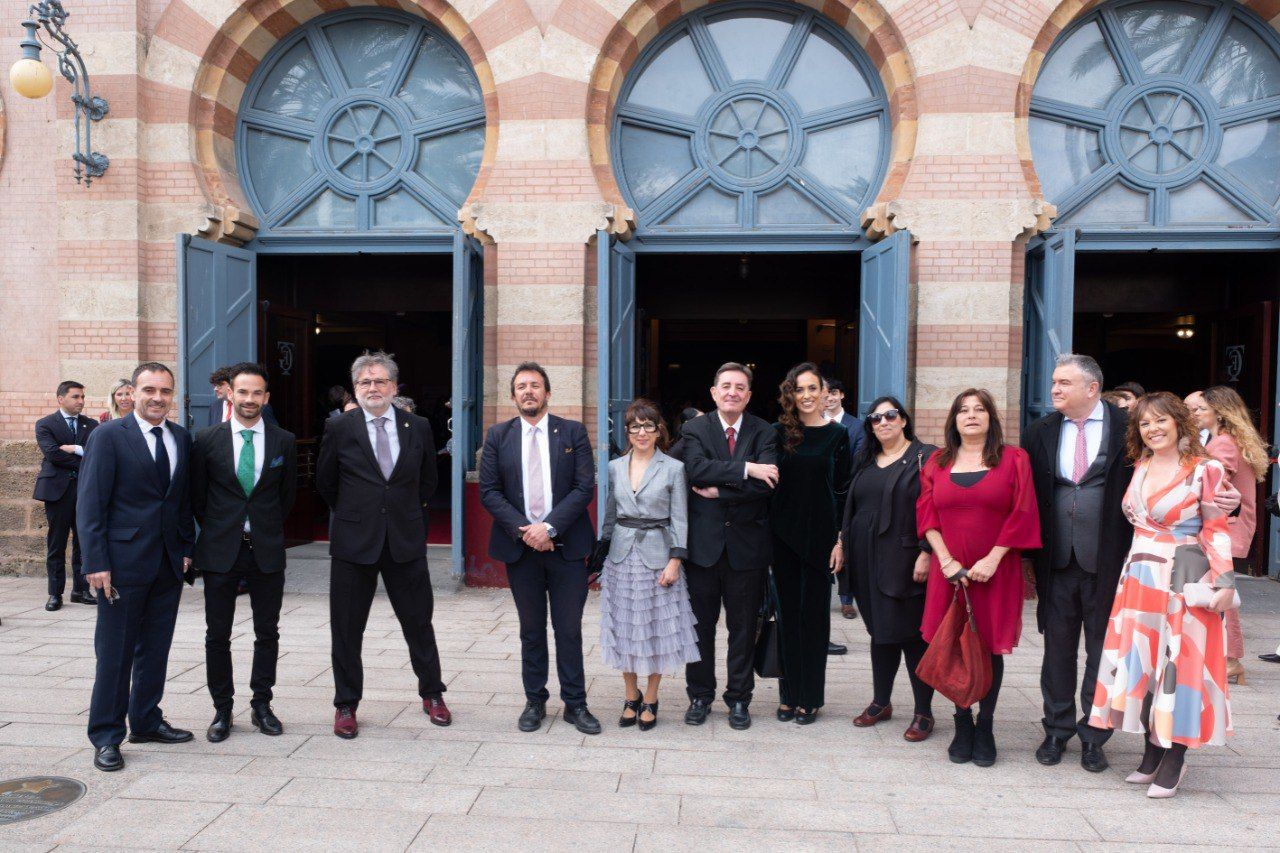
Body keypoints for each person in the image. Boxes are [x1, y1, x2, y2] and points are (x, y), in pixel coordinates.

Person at [1088, 392, 1236, 798]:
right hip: (1137, 575)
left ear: (1179, 422)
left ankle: (1176, 756)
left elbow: (1216, 526)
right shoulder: (1141, 465)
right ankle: (1152, 749)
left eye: (1160, 421)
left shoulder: (1205, 468)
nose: (1152, 429)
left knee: (1180, 665)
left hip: (1182, 574)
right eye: (1143, 424)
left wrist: (1225, 581)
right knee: (1146, 663)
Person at [316, 350, 449, 738]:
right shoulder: (340, 428)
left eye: (380, 381)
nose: (372, 387)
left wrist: (405, 514)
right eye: (364, 382)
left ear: (394, 386)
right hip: (353, 543)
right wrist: (356, 513)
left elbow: (427, 482)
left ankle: (433, 694)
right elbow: (327, 482)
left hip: (405, 542)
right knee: (346, 628)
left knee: (419, 623)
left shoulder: (418, 426)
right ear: (355, 388)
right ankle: (346, 704)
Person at [78, 362, 196, 772]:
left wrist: (184, 547)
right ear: (133, 391)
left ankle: (145, 720)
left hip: (167, 564)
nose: (157, 398)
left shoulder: (181, 436)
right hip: (121, 566)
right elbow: (91, 502)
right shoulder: (109, 436)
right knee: (114, 652)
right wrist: (95, 561)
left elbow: (179, 501)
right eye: (149, 390)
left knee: (155, 649)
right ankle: (107, 735)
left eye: (165, 391)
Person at [917, 388, 1040, 767]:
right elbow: (926, 517)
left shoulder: (1014, 459)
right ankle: (961, 722)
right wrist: (947, 560)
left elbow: (1023, 512)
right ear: (954, 420)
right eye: (963, 410)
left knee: (987, 646)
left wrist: (993, 558)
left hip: (995, 572)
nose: (971, 415)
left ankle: (985, 725)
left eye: (979, 409)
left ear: (991, 417)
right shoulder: (936, 462)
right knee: (953, 643)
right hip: (948, 572)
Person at [1021, 354, 1132, 773]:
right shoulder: (1039, 432)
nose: (1054, 390)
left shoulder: (1129, 428)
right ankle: (1056, 728)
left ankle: (1095, 733)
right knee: (1058, 649)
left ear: (1092, 388)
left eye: (1064, 383)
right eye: (1054, 382)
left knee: (1103, 651)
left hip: (1110, 561)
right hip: (1056, 561)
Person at [478, 362, 600, 734]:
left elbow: (584, 488)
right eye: (521, 386)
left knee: (568, 629)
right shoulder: (498, 436)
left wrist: (548, 527)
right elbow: (489, 492)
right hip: (521, 550)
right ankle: (535, 702)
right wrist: (526, 531)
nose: (528, 391)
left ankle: (575, 705)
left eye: (535, 385)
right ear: (512, 396)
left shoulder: (573, 432)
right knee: (531, 629)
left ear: (548, 393)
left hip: (565, 549)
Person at [191, 363, 298, 742]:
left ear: (266, 398)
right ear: (229, 394)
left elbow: (287, 498)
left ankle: (262, 704)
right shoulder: (206, 440)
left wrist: (261, 526)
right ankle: (222, 710)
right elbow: (198, 498)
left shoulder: (284, 440)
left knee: (266, 631)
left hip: (266, 551)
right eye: (242, 392)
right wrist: (226, 527)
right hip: (221, 551)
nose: (249, 399)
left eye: (257, 393)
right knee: (217, 634)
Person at [679, 362, 779, 730]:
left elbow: (768, 484)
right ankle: (700, 696)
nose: (733, 392)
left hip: (747, 550)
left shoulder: (764, 431)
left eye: (740, 387)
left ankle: (739, 699)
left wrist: (721, 489)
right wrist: (746, 470)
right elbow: (694, 469)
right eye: (726, 386)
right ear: (714, 392)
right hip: (702, 551)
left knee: (742, 630)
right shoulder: (695, 429)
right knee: (700, 629)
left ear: (748, 395)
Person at [835, 396, 937, 741]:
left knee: (911, 636)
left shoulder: (926, 456)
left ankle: (923, 712)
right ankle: (881, 702)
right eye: (875, 418)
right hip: (865, 559)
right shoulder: (866, 460)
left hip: (905, 560)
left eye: (890, 415)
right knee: (880, 632)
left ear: (904, 419)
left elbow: (934, 508)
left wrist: (926, 551)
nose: (883, 422)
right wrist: (841, 545)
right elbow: (851, 507)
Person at [598, 398, 700, 730]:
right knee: (624, 629)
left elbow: (680, 519)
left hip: (659, 558)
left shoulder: (673, 468)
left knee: (657, 631)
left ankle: (652, 697)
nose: (642, 432)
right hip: (621, 557)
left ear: (659, 431)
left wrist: (675, 561)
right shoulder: (615, 466)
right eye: (635, 426)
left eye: (648, 426)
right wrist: (600, 557)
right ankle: (631, 694)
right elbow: (610, 515)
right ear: (627, 431)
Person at [767, 363, 851, 724]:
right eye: (799, 389)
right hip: (781, 535)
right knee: (786, 617)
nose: (806, 396)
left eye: (812, 389)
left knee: (814, 620)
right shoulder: (776, 433)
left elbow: (844, 491)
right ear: (791, 394)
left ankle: (810, 697)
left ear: (824, 393)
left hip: (820, 538)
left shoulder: (838, 436)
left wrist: (840, 540)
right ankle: (788, 695)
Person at [1197, 385, 1268, 686]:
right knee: (1223, 592)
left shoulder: (1223, 443)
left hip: (1222, 529)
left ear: (1218, 411)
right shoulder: (1230, 439)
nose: (1195, 412)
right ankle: (1230, 659)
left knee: (1222, 595)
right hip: (1233, 527)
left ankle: (1230, 660)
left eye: (1201, 408)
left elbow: (1211, 485)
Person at [34, 381, 98, 610]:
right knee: (57, 543)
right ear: (60, 398)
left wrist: (81, 456)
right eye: (75, 397)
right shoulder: (45, 424)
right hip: (57, 492)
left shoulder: (91, 425)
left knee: (84, 542)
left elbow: (96, 454)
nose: (81, 401)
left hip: (85, 490)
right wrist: (84, 461)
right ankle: (55, 594)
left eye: (82, 397)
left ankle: (81, 590)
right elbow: (52, 454)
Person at [825, 378, 864, 621]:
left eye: (834, 392)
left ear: (842, 396)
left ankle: (847, 600)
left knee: (845, 546)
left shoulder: (856, 426)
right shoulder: (812, 423)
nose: (829, 397)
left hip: (846, 494)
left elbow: (859, 460)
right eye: (825, 392)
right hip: (818, 497)